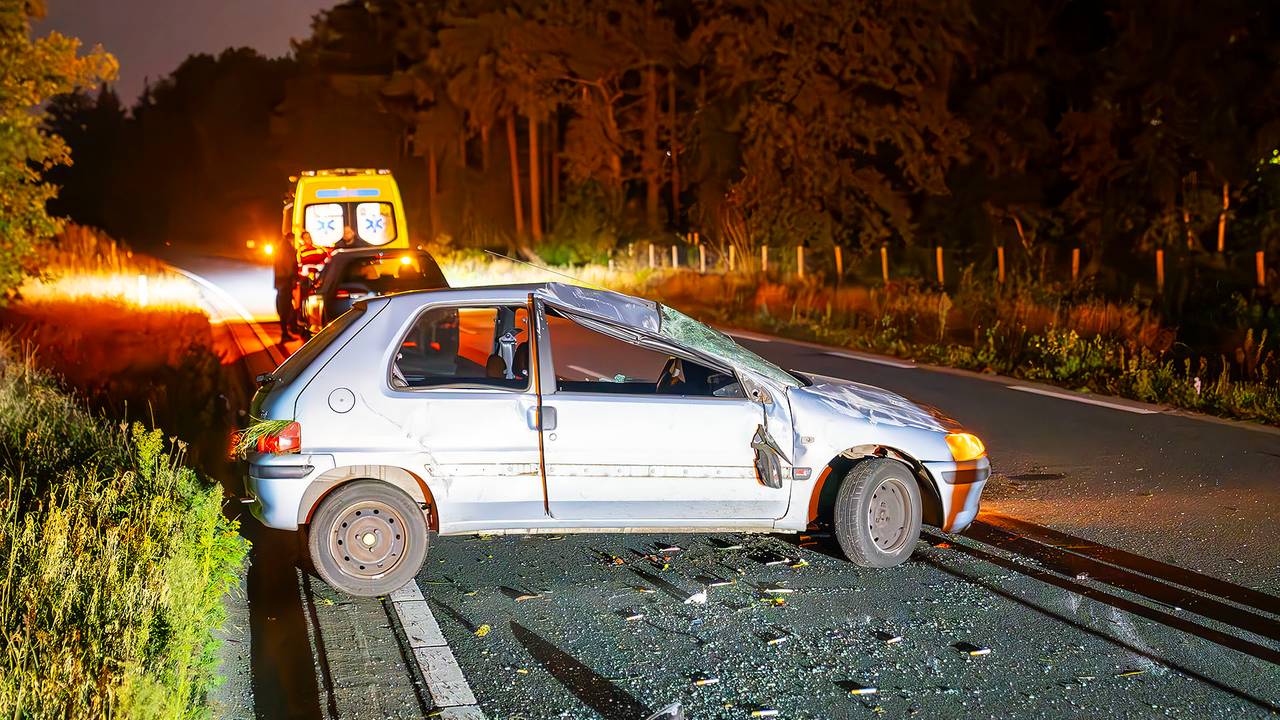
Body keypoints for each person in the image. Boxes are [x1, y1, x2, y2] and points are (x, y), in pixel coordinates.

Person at [274, 232, 299, 342]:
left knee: (283, 306)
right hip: (285, 282)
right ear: (291, 239)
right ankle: (285, 333)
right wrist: (294, 278)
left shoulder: (281, 247)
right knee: (285, 307)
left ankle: (286, 331)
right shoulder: (287, 249)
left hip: (281, 282)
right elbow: (289, 266)